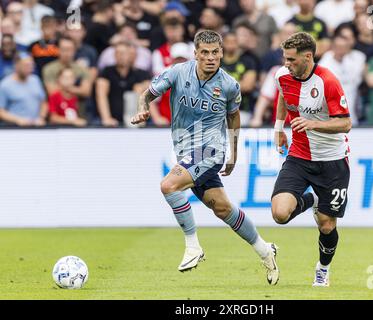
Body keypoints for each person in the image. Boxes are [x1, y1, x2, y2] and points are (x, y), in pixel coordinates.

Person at [130, 30, 279, 285]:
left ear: (221, 53)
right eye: (205, 53)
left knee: (168, 186)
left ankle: (193, 246)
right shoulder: (177, 73)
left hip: (211, 150)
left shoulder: (230, 85)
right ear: (196, 54)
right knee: (222, 209)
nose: (211, 58)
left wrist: (232, 152)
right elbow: (147, 94)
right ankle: (266, 251)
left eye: (215, 53)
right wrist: (143, 109)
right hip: (186, 151)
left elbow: (233, 116)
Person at [271, 32, 351, 287]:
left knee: (327, 226)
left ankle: (323, 269)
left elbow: (346, 123)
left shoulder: (328, 81)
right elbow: (284, 94)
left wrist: (313, 124)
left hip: (333, 161)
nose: (287, 64)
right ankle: (312, 198)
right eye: (285, 58)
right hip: (299, 156)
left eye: (292, 60)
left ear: (308, 56)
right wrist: (279, 128)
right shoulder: (283, 76)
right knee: (279, 213)